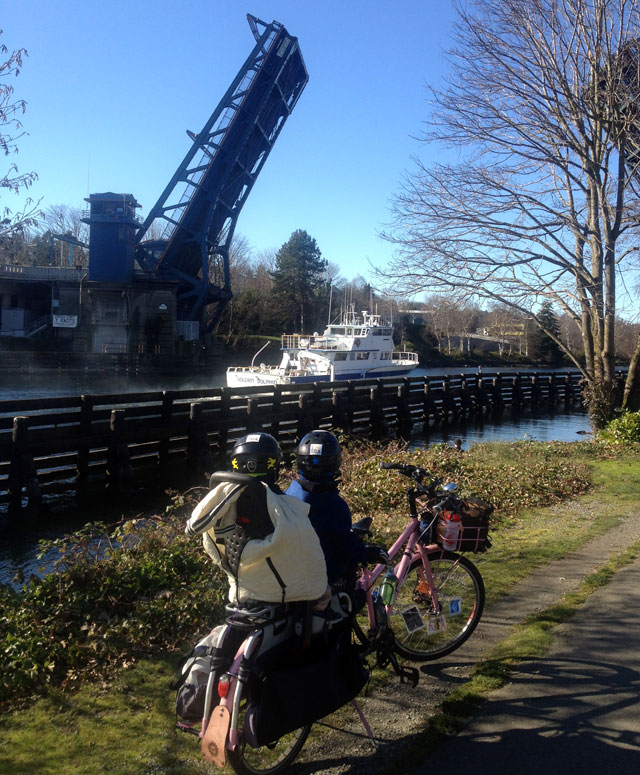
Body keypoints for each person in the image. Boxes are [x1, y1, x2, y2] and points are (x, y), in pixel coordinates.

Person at [186, 432, 329, 606]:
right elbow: (309, 560)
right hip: (280, 592)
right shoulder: (286, 509)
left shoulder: (227, 501)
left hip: (242, 588)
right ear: (274, 465)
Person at [286, 430, 387, 589]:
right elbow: (345, 546)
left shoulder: (288, 495)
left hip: (291, 576)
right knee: (357, 597)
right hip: (324, 580)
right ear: (335, 464)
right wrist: (367, 552)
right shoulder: (334, 504)